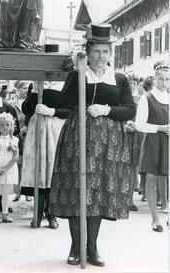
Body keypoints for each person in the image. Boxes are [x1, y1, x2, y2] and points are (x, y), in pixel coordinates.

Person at [50, 23, 135, 267]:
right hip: (77, 138)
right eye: (96, 51)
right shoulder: (78, 74)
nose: (100, 56)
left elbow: (129, 110)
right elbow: (66, 101)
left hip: (108, 145)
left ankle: (92, 249)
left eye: (105, 52)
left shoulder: (119, 78)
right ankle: (76, 248)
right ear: (88, 52)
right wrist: (77, 73)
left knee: (97, 193)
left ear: (111, 54)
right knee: (77, 190)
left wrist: (107, 109)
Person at [21, 82, 70, 229]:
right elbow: (26, 109)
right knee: (38, 171)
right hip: (37, 131)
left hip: (56, 128)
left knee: (52, 172)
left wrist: (52, 111)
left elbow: (70, 110)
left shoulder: (64, 84)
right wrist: (35, 94)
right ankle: (37, 214)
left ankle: (51, 215)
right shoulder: (36, 83)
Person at [136, 61, 169, 232]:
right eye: (161, 79)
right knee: (151, 180)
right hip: (153, 142)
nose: (164, 83)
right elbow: (139, 125)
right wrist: (160, 128)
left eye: (167, 79)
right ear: (155, 78)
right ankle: (155, 218)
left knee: (167, 179)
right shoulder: (146, 98)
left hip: (168, 142)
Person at [8, 80, 32, 202]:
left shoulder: (31, 102)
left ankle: (27, 192)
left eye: (28, 88)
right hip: (17, 136)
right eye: (23, 88)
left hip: (29, 134)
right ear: (17, 89)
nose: (26, 90)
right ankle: (18, 191)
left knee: (28, 165)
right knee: (18, 164)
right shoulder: (11, 104)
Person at [125, 73, 144, 211]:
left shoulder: (141, 99)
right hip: (123, 133)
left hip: (135, 136)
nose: (132, 85)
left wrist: (136, 124)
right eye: (130, 82)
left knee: (133, 168)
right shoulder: (122, 97)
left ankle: (130, 199)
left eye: (134, 83)